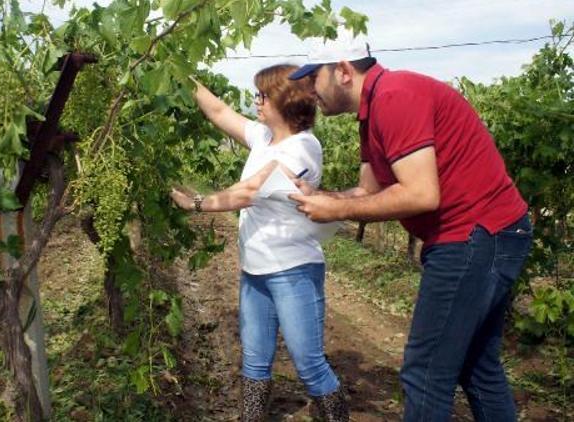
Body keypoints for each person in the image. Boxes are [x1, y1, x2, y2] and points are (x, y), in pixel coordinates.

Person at [288, 30, 532, 422]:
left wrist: (336, 213)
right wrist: (326, 197)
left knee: (424, 373)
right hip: (484, 234)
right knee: (477, 367)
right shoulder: (371, 114)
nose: (309, 89)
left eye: (314, 77)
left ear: (343, 71)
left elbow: (421, 194)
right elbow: (369, 190)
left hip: (476, 234)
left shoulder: (395, 97)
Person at [169, 65, 348, 421]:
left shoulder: (303, 146)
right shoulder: (264, 138)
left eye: (262, 95)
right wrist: (176, 70)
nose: (256, 101)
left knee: (309, 363)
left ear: (284, 100)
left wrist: (197, 203)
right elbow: (219, 112)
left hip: (293, 270)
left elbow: (252, 191)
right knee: (254, 358)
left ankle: (336, 416)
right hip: (255, 269)